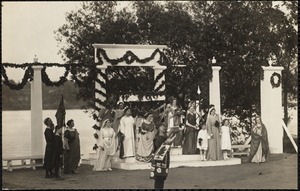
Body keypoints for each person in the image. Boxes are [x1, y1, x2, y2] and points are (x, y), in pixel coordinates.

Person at [151, 124, 176, 189]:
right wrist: (166, 142)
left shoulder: (165, 137)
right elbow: (158, 148)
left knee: (162, 178)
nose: (163, 127)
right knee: (158, 178)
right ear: (158, 128)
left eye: (163, 126)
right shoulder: (157, 138)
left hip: (165, 159)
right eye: (161, 126)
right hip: (158, 159)